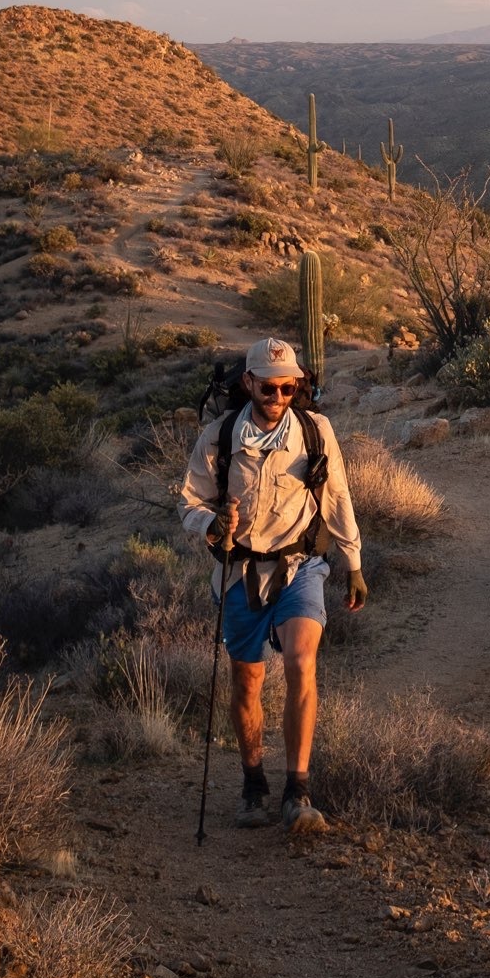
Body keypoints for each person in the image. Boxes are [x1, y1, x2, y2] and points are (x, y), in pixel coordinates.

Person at [179, 336, 366, 833]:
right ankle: (253, 781)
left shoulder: (315, 431)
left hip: (300, 565)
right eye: (268, 386)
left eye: (288, 386)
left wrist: (353, 563)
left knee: (303, 660)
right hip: (239, 573)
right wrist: (211, 524)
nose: (278, 395)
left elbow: (338, 496)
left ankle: (297, 791)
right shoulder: (220, 438)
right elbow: (190, 502)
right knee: (248, 680)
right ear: (249, 383)